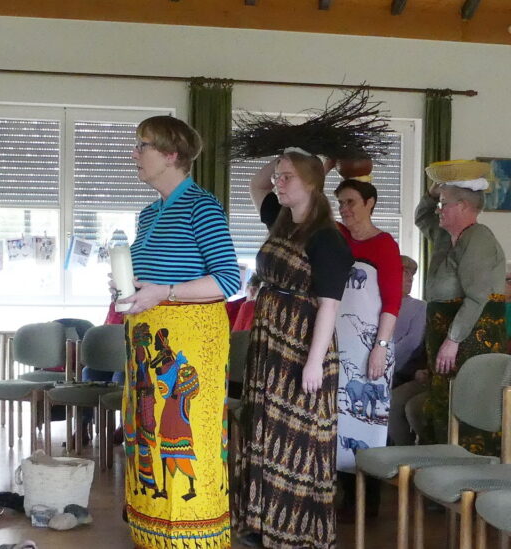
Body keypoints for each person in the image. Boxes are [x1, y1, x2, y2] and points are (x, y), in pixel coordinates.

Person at [115, 115, 240, 548]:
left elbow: (228, 280)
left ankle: (192, 533)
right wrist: (129, 288)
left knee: (188, 436)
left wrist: (165, 291)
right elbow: (150, 276)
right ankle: (152, 531)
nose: (135, 154)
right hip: (147, 342)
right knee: (146, 435)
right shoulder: (149, 214)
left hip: (188, 345)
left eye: (142, 145)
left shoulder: (201, 206)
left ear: (171, 155)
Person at [235, 150, 353, 549]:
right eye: (280, 176)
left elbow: (330, 305)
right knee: (265, 432)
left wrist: (314, 362)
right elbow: (256, 183)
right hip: (270, 345)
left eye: (288, 177)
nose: (278, 182)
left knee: (298, 442)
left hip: (303, 346)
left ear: (312, 183)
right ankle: (262, 523)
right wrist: (287, 152)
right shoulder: (280, 220)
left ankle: (296, 531)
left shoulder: (326, 239)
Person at [415, 160, 506, 456]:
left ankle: (470, 485)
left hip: (470, 342)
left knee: (467, 406)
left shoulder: (479, 239)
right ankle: (441, 483)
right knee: (443, 406)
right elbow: (422, 217)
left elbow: (477, 298)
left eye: (445, 203)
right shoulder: (445, 236)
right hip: (447, 340)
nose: (440, 209)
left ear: (465, 206)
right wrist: (433, 193)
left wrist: (452, 341)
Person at [330, 177, 403, 520]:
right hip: (339, 344)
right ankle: (344, 492)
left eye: (351, 202)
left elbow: (392, 302)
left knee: (368, 423)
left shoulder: (385, 244)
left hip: (372, 345)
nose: (345, 209)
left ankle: (367, 500)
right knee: (340, 419)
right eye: (341, 203)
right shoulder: (338, 238)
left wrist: (380, 348)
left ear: (370, 203)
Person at [388, 255, 428, 447]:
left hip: (403, 372)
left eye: (412, 274)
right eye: (404, 273)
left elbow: (412, 343)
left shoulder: (419, 307)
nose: (409, 278)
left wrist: (385, 364)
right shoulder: (378, 303)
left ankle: (404, 455)